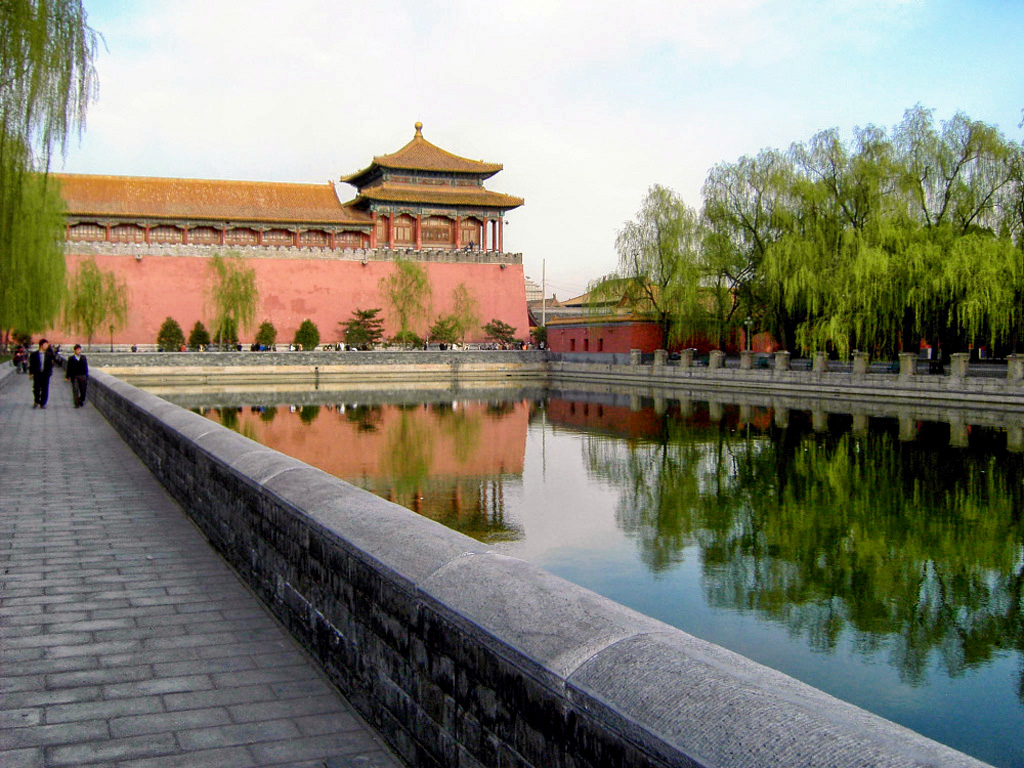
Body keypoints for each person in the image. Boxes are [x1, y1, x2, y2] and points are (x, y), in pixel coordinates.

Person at [28, 338, 55, 409]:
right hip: (37, 374)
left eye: (47, 345)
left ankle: (43, 403)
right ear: (41, 345)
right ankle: (36, 401)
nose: (46, 346)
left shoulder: (49, 354)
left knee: (45, 389)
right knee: (36, 388)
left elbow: (51, 364)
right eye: (45, 345)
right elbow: (31, 365)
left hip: (45, 374)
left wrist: (49, 373)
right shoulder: (34, 355)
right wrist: (31, 373)